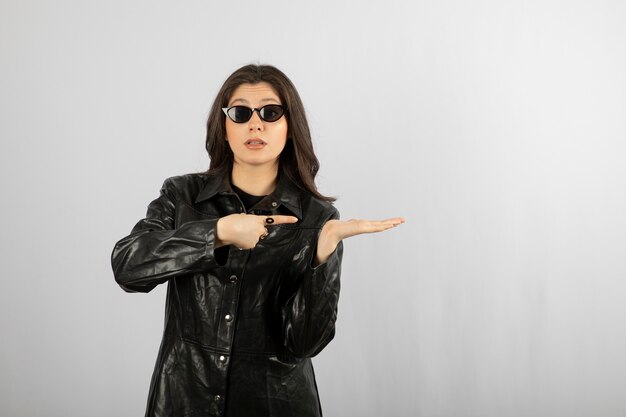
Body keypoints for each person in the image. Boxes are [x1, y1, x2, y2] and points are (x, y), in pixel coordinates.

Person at [111, 64, 404, 417]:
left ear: (290, 126)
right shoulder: (182, 195)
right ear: (224, 127)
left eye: (270, 112)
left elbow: (306, 342)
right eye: (240, 112)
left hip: (275, 403)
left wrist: (321, 258)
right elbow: (128, 267)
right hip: (183, 399)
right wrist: (218, 233)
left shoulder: (318, 220)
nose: (255, 123)